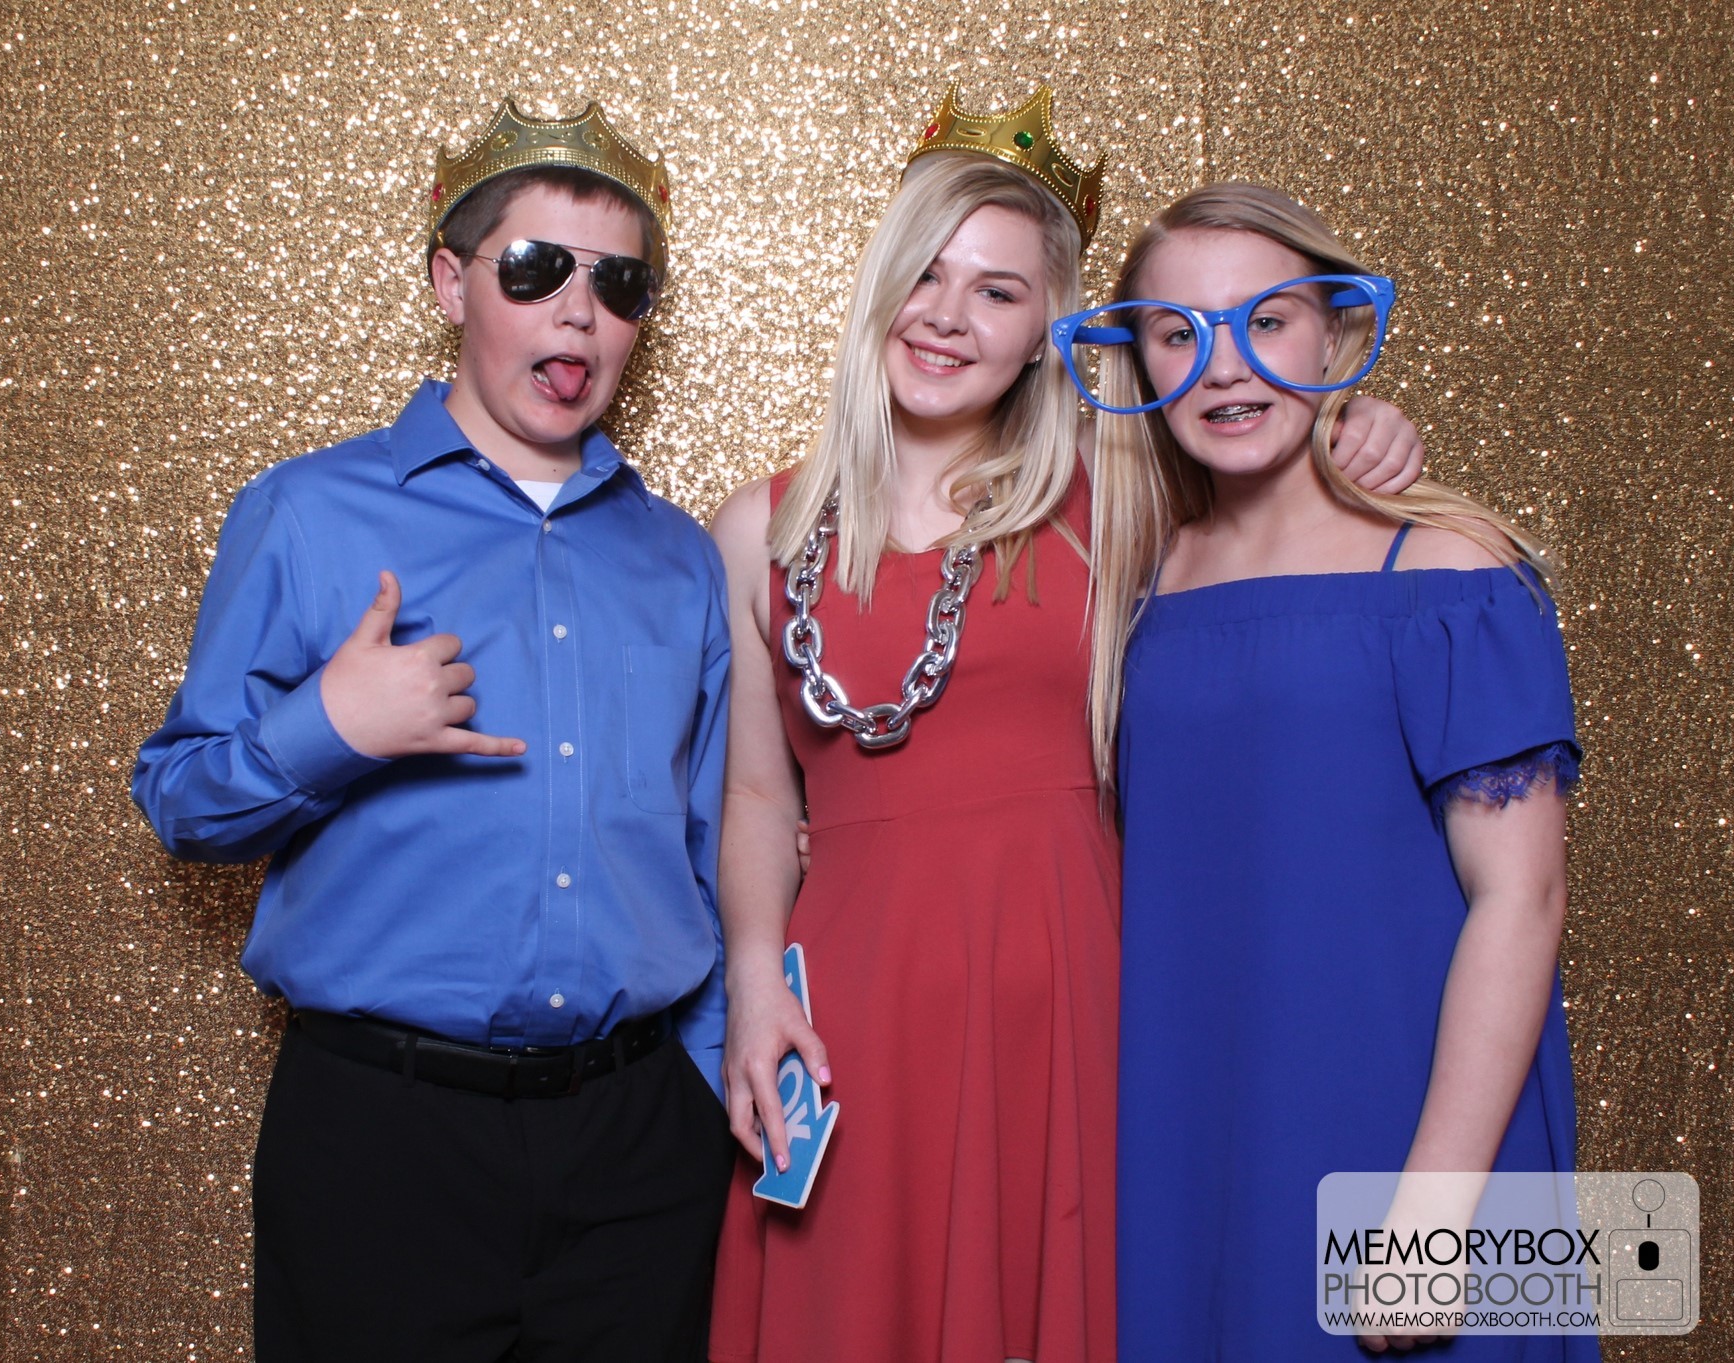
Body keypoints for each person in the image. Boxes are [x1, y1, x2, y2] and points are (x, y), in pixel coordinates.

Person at [706, 89, 1426, 1363]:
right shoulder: (759, 527)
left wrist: (1349, 427)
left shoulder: (1125, 497)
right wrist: (756, 982)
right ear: (877, 289)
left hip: (1075, 993)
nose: (946, 314)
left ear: (1049, 331)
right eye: (925, 273)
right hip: (855, 1009)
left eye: (996, 290)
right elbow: (760, 795)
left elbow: (1268, 483)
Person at [131, 98, 734, 1362]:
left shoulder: (680, 558)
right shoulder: (304, 514)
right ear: (450, 283)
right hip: (383, 1140)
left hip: (638, 1145)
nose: (578, 311)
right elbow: (180, 799)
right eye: (536, 269)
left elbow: (711, 843)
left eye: (619, 284)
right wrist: (329, 728)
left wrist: (707, 1080)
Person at [1065, 181, 1594, 1359]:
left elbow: (1522, 896)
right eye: (1176, 332)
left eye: (1266, 320)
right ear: (1137, 361)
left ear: (1333, 332)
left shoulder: (1447, 568)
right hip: (1200, 1131)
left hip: (1416, 1131)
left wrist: (1434, 1214)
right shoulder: (1136, 577)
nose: (1223, 365)